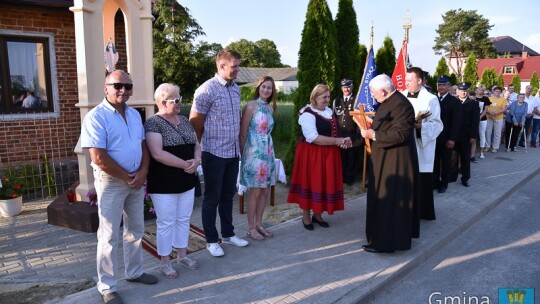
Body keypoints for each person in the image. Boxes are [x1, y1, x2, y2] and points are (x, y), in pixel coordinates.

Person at [80, 70, 158, 304]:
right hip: (112, 183)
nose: (123, 90)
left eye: (128, 85)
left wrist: (143, 171)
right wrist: (128, 177)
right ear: (106, 88)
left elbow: (143, 145)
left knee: (135, 230)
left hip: (135, 179)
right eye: (117, 85)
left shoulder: (134, 114)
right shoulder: (96, 117)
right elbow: (98, 157)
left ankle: (134, 273)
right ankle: (107, 286)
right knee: (108, 236)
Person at [189, 49, 249, 257]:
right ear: (221, 66)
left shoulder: (235, 89)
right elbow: (195, 123)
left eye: (237, 66)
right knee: (212, 198)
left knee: (227, 195)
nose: (237, 70)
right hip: (213, 153)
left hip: (232, 152)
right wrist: (198, 151)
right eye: (234, 66)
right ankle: (211, 240)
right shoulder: (206, 90)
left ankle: (229, 234)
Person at [144, 83, 201, 279]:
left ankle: (182, 255)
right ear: (162, 102)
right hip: (165, 182)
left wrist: (197, 159)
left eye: (180, 98)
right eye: (176, 100)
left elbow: (197, 144)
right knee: (166, 222)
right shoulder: (153, 123)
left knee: (184, 218)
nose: (180, 103)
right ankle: (165, 262)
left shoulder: (184, 120)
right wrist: (186, 165)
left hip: (187, 179)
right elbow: (157, 153)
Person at [360, 74, 418, 253]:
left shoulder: (401, 104)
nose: (372, 96)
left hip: (394, 162)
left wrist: (374, 135)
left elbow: (401, 134)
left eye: (373, 93)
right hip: (384, 160)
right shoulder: (387, 102)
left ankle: (386, 243)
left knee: (389, 203)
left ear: (384, 91)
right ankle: (377, 238)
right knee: (381, 200)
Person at [287, 84, 351, 231]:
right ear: (315, 97)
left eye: (328, 97)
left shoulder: (328, 111)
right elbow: (313, 137)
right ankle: (306, 217)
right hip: (312, 154)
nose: (327, 100)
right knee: (310, 182)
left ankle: (318, 214)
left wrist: (343, 140)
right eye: (324, 97)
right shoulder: (307, 114)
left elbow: (333, 132)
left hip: (329, 154)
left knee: (322, 183)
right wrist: (337, 141)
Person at [239, 76, 277, 240]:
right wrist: (244, 157)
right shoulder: (251, 106)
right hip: (253, 154)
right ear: (258, 87)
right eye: (264, 87)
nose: (266, 90)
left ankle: (259, 223)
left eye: (269, 88)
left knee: (264, 191)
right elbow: (242, 133)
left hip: (267, 153)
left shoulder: (270, 108)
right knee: (254, 192)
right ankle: (250, 228)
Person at [403, 67, 443, 220]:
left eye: (409, 80)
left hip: (421, 145)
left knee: (420, 181)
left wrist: (421, 127)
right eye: (405, 80)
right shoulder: (400, 95)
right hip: (404, 144)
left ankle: (421, 212)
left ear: (419, 81)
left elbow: (438, 124)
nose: (406, 83)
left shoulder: (431, 99)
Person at [433, 75, 460, 194]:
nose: (441, 87)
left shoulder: (454, 101)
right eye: (439, 84)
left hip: (446, 138)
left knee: (445, 162)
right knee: (434, 162)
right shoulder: (433, 99)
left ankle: (444, 184)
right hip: (433, 137)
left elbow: (456, 122)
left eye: (444, 84)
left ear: (449, 86)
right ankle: (434, 182)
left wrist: (452, 139)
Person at [333, 78, 363, 186]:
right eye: (344, 87)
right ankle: (341, 176)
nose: (346, 89)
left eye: (349, 86)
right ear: (341, 88)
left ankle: (350, 177)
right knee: (341, 157)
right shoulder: (336, 101)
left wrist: (357, 136)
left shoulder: (357, 100)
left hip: (352, 134)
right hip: (340, 135)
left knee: (351, 157)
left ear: (352, 87)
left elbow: (360, 119)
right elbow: (334, 117)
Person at [454, 82, 479, 187]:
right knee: (453, 158)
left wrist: (473, 136)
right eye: (461, 90)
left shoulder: (473, 104)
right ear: (457, 91)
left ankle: (465, 178)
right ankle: (452, 176)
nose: (463, 92)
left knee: (465, 158)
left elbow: (475, 121)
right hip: (453, 135)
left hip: (466, 135)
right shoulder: (453, 102)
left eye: (465, 91)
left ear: (468, 92)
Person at [486, 86, 507, 153]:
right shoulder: (489, 98)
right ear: (493, 91)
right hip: (489, 117)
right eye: (496, 91)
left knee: (497, 133)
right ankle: (487, 146)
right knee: (488, 132)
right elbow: (486, 107)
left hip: (499, 117)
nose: (497, 93)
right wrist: (491, 113)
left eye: (499, 91)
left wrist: (495, 113)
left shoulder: (503, 99)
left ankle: (495, 147)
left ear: (501, 92)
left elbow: (504, 109)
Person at [475, 85, 491, 159]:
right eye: (479, 90)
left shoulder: (485, 98)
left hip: (483, 119)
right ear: (477, 90)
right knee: (473, 135)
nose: (481, 91)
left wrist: (480, 117)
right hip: (473, 119)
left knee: (482, 134)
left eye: (482, 90)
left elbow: (486, 110)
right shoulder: (474, 97)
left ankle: (481, 152)